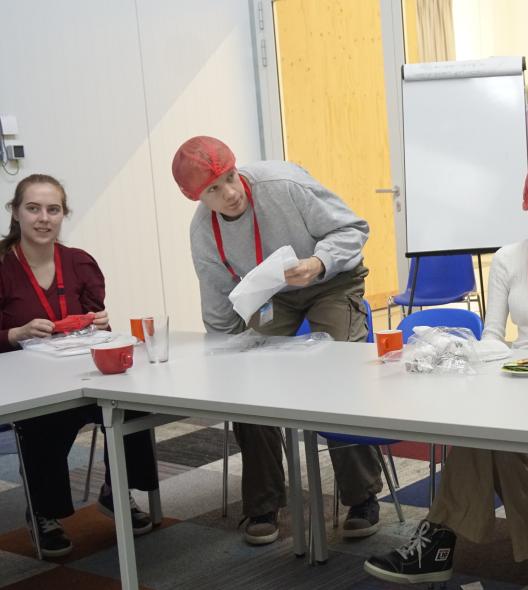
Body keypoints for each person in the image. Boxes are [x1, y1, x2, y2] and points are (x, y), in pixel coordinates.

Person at [364, 155, 528, 590]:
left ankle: (438, 541)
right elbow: (495, 335)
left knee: (480, 438)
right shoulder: (508, 258)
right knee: (485, 434)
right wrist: (461, 357)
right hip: (519, 378)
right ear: (526, 203)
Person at [170, 136, 385, 545]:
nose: (229, 193)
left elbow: (354, 228)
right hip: (273, 294)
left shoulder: (284, 185)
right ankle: (263, 503)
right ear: (197, 197)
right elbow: (218, 302)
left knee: (339, 375)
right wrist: (225, 359)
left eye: (230, 177)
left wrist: (318, 262)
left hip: (331, 279)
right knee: (249, 383)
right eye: (214, 189)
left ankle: (361, 498)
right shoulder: (204, 233)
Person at [1, 174, 159, 558]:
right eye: (33, 208)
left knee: (132, 403)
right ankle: (44, 510)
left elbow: (95, 322)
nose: (44, 218)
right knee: (44, 419)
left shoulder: (79, 262)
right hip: (25, 381)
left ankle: (116, 490)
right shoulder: (3, 266)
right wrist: (15, 333)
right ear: (15, 213)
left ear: (63, 214)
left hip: (80, 371)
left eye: (53, 209)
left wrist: (100, 322)